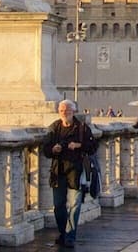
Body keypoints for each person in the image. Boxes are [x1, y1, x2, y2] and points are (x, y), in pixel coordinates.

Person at [43, 100, 96, 248]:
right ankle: (63, 233)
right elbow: (45, 149)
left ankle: (70, 236)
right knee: (58, 205)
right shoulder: (54, 128)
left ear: (73, 112)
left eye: (67, 110)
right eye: (62, 111)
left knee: (75, 205)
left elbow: (93, 147)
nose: (64, 113)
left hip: (76, 172)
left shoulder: (82, 128)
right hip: (58, 171)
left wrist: (78, 145)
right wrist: (54, 149)